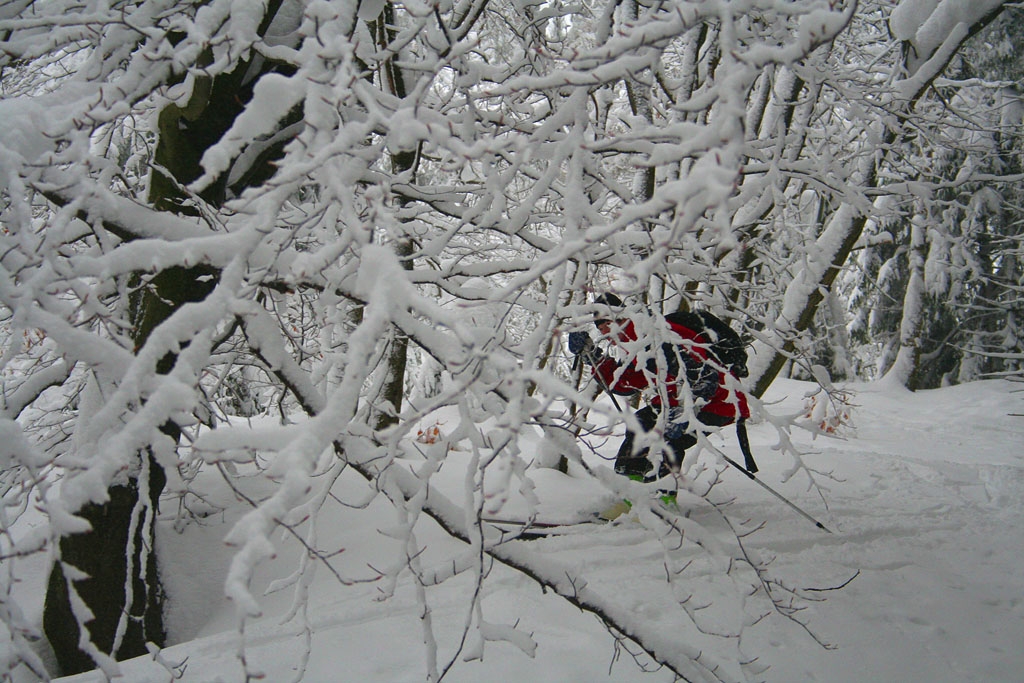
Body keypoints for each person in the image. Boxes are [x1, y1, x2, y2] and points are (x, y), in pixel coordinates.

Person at [568, 294, 750, 482]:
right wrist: (594, 356)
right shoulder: (637, 341)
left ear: (621, 317)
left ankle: (663, 499)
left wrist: (684, 411)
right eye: (599, 326)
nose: (604, 330)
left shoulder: (658, 333)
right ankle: (630, 491)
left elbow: (704, 375)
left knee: (669, 443)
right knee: (640, 426)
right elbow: (628, 383)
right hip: (675, 401)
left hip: (719, 401)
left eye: (606, 322)